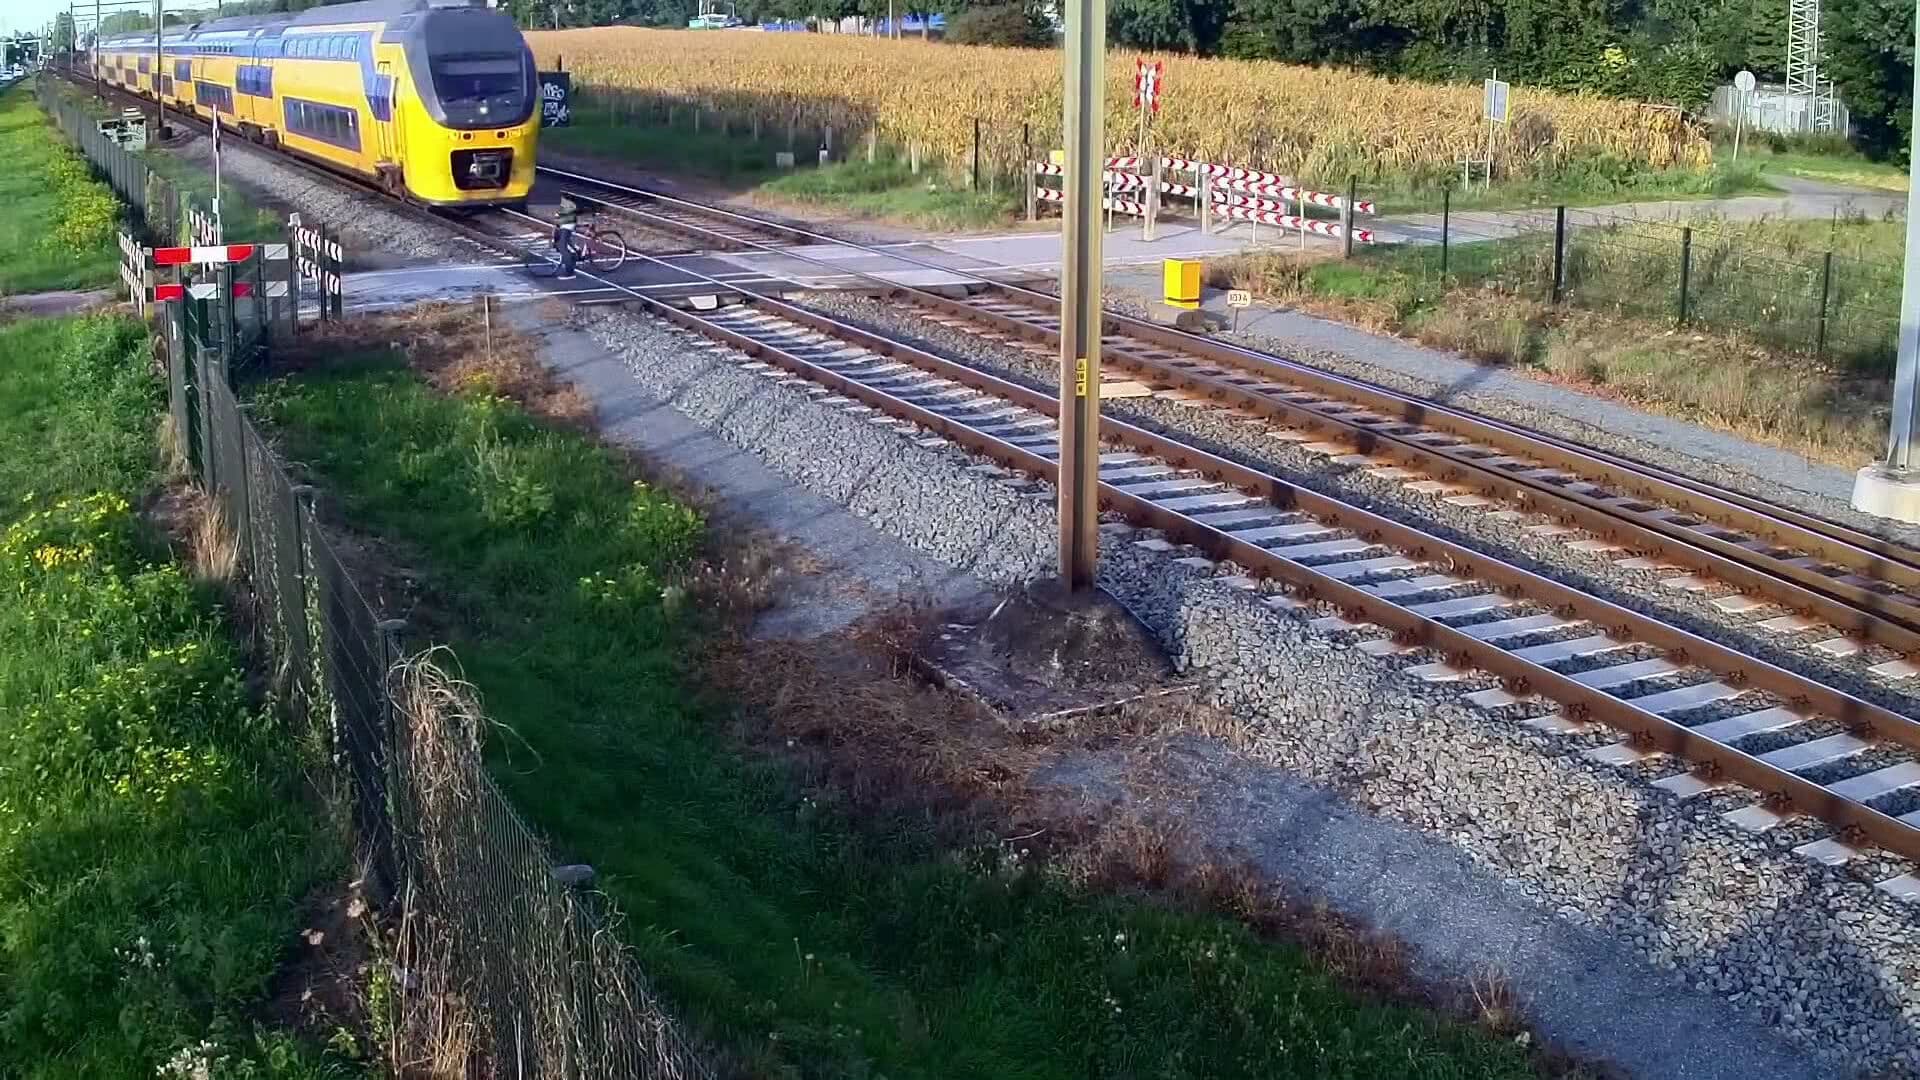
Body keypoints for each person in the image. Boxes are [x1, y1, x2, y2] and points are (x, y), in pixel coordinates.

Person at [553, 193, 580, 280]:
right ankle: (573, 255)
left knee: (562, 246)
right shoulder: (565, 199)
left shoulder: (569, 202)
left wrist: (559, 214)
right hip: (564, 223)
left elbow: (570, 210)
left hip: (568, 224)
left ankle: (570, 273)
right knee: (559, 243)